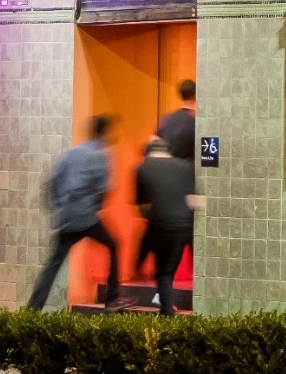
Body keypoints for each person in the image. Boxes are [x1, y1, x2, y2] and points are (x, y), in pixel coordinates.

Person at [27, 115, 120, 312]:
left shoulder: (72, 153)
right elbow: (104, 188)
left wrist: (59, 207)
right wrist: (95, 207)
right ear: (104, 133)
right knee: (113, 245)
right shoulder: (100, 155)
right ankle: (112, 299)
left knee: (54, 264)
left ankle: (34, 307)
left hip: (67, 217)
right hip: (87, 217)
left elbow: (53, 182)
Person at [134, 134, 196, 315]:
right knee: (167, 270)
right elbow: (192, 198)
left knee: (163, 272)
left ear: (147, 153)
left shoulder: (143, 168)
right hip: (183, 228)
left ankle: (166, 309)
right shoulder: (185, 166)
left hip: (160, 226)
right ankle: (164, 303)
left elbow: (144, 207)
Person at [158, 78, 197, 163]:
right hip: (188, 168)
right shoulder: (195, 120)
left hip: (166, 166)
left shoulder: (167, 119)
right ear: (195, 95)